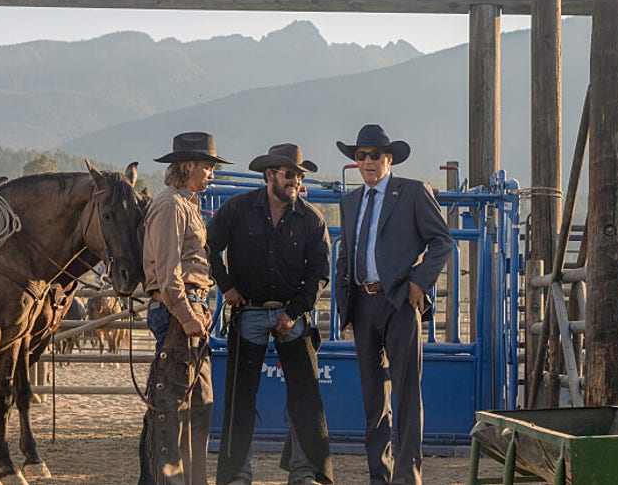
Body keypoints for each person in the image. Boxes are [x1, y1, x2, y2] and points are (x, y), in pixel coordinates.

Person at [208, 144, 334, 485]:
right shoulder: (238, 209)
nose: (295, 180)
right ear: (269, 176)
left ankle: (306, 472)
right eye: (289, 174)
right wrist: (226, 285)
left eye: (299, 175)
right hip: (247, 309)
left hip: (291, 315)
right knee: (240, 397)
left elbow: (319, 274)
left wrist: (294, 312)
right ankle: (237, 474)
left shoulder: (311, 219)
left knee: (306, 395)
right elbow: (210, 246)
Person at [334, 124, 453, 485]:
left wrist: (419, 282)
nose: (368, 162)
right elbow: (347, 255)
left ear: (389, 159)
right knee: (374, 397)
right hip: (362, 305)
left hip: (400, 302)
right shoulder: (350, 201)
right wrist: (346, 307)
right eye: (361, 156)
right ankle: (379, 476)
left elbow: (442, 241)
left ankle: (406, 477)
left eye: (374, 155)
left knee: (406, 392)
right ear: (356, 161)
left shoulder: (413, 192)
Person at [139, 131, 232, 485]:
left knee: (197, 403)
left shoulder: (184, 204)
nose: (211, 172)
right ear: (188, 165)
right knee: (175, 405)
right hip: (181, 312)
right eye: (208, 166)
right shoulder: (171, 207)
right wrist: (188, 315)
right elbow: (168, 272)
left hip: (189, 312)